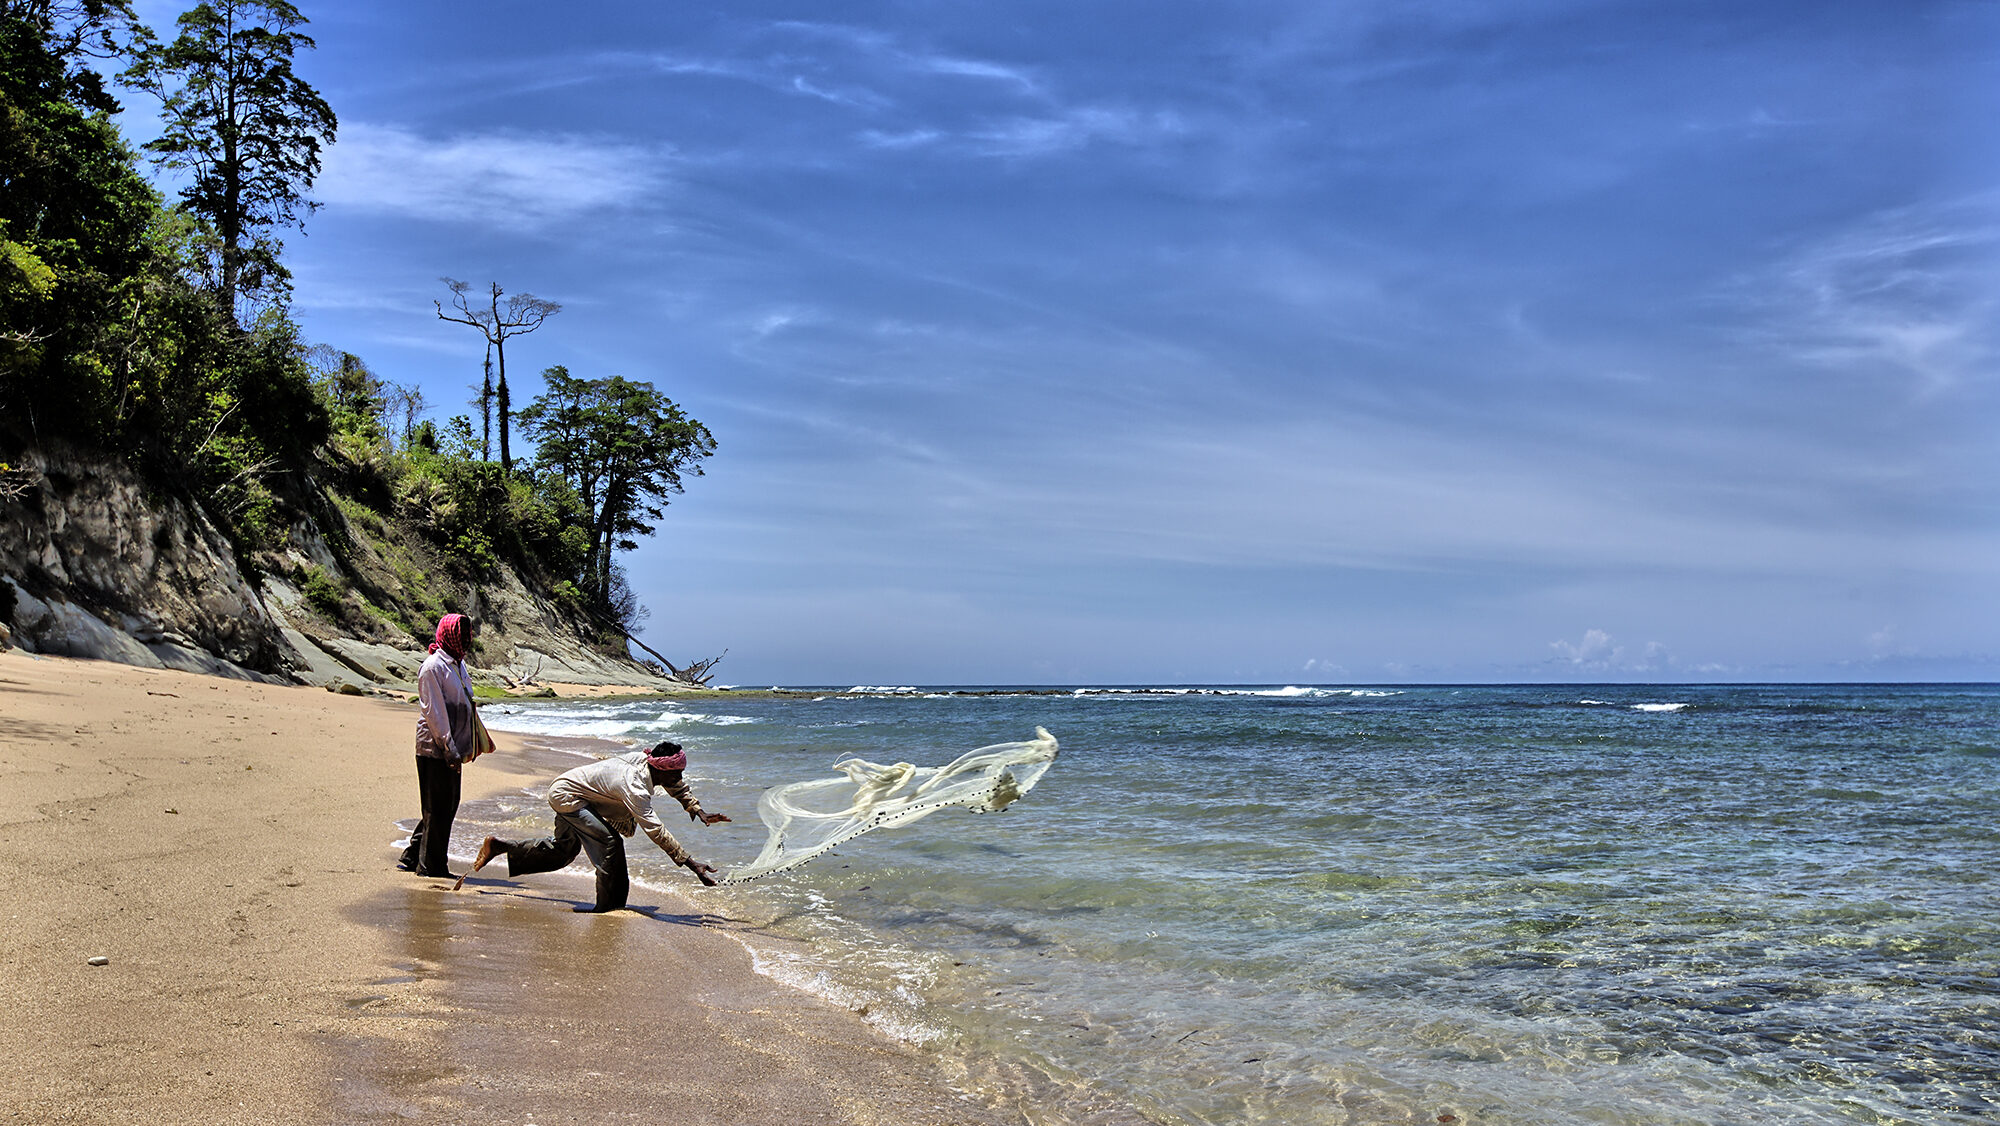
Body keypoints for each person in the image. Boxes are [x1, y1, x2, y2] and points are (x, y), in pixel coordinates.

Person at [462, 741, 730, 911]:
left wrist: (696, 809)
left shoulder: (648, 762)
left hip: (576, 793)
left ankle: (500, 847)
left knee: (564, 852)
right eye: (676, 772)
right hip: (568, 797)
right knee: (610, 842)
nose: (680, 777)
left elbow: (676, 785)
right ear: (661, 770)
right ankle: (608, 906)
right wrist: (691, 864)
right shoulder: (634, 786)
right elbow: (656, 831)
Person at [396, 612, 481, 878]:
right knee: (438, 805)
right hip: (435, 747)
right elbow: (435, 714)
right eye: (462, 634)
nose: (466, 640)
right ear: (449, 635)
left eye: (468, 635)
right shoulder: (433, 667)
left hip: (453, 744)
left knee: (446, 803)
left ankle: (413, 855)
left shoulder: (458, 664)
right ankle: (431, 867)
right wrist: (449, 748)